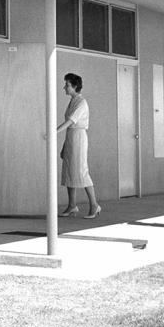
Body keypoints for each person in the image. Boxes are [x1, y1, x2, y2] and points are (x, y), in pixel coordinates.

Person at [55, 72, 100, 219]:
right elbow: (69, 126)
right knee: (69, 170)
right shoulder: (72, 101)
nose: (64, 87)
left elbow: (71, 121)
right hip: (71, 137)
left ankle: (94, 205)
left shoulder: (82, 102)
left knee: (81, 171)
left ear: (75, 86)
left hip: (79, 137)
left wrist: (53, 132)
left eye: (67, 85)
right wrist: (63, 147)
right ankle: (72, 205)